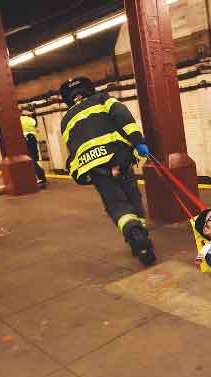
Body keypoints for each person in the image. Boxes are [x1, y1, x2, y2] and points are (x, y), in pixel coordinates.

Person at [59, 76, 156, 266]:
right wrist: (138, 141)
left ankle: (135, 236)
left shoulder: (66, 119)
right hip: (119, 156)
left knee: (116, 204)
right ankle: (142, 236)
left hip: (95, 168)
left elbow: (72, 151)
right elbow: (124, 119)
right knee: (132, 197)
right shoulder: (104, 99)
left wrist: (83, 176)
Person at [20, 115, 47, 187]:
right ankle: (40, 176)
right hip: (33, 140)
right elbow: (35, 125)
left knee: (30, 160)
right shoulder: (29, 119)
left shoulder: (17, 121)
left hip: (26, 140)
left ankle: (40, 176)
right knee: (33, 159)